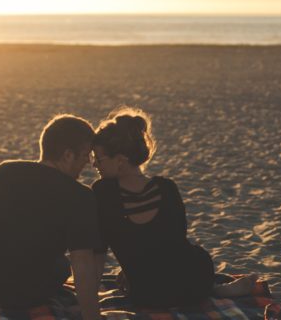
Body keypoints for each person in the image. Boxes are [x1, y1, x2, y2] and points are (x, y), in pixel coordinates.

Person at [0, 114, 102, 320]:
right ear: (67, 155)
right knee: (61, 266)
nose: (89, 162)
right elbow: (82, 264)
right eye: (86, 154)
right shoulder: (79, 195)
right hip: (20, 296)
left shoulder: (4, 171)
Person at [91, 107, 256, 308]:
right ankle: (213, 290)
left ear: (120, 160)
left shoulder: (102, 192)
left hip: (147, 292)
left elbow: (98, 251)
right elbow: (171, 243)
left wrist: (89, 301)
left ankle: (213, 290)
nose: (94, 165)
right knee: (191, 261)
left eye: (98, 159)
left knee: (167, 278)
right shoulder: (166, 188)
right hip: (192, 281)